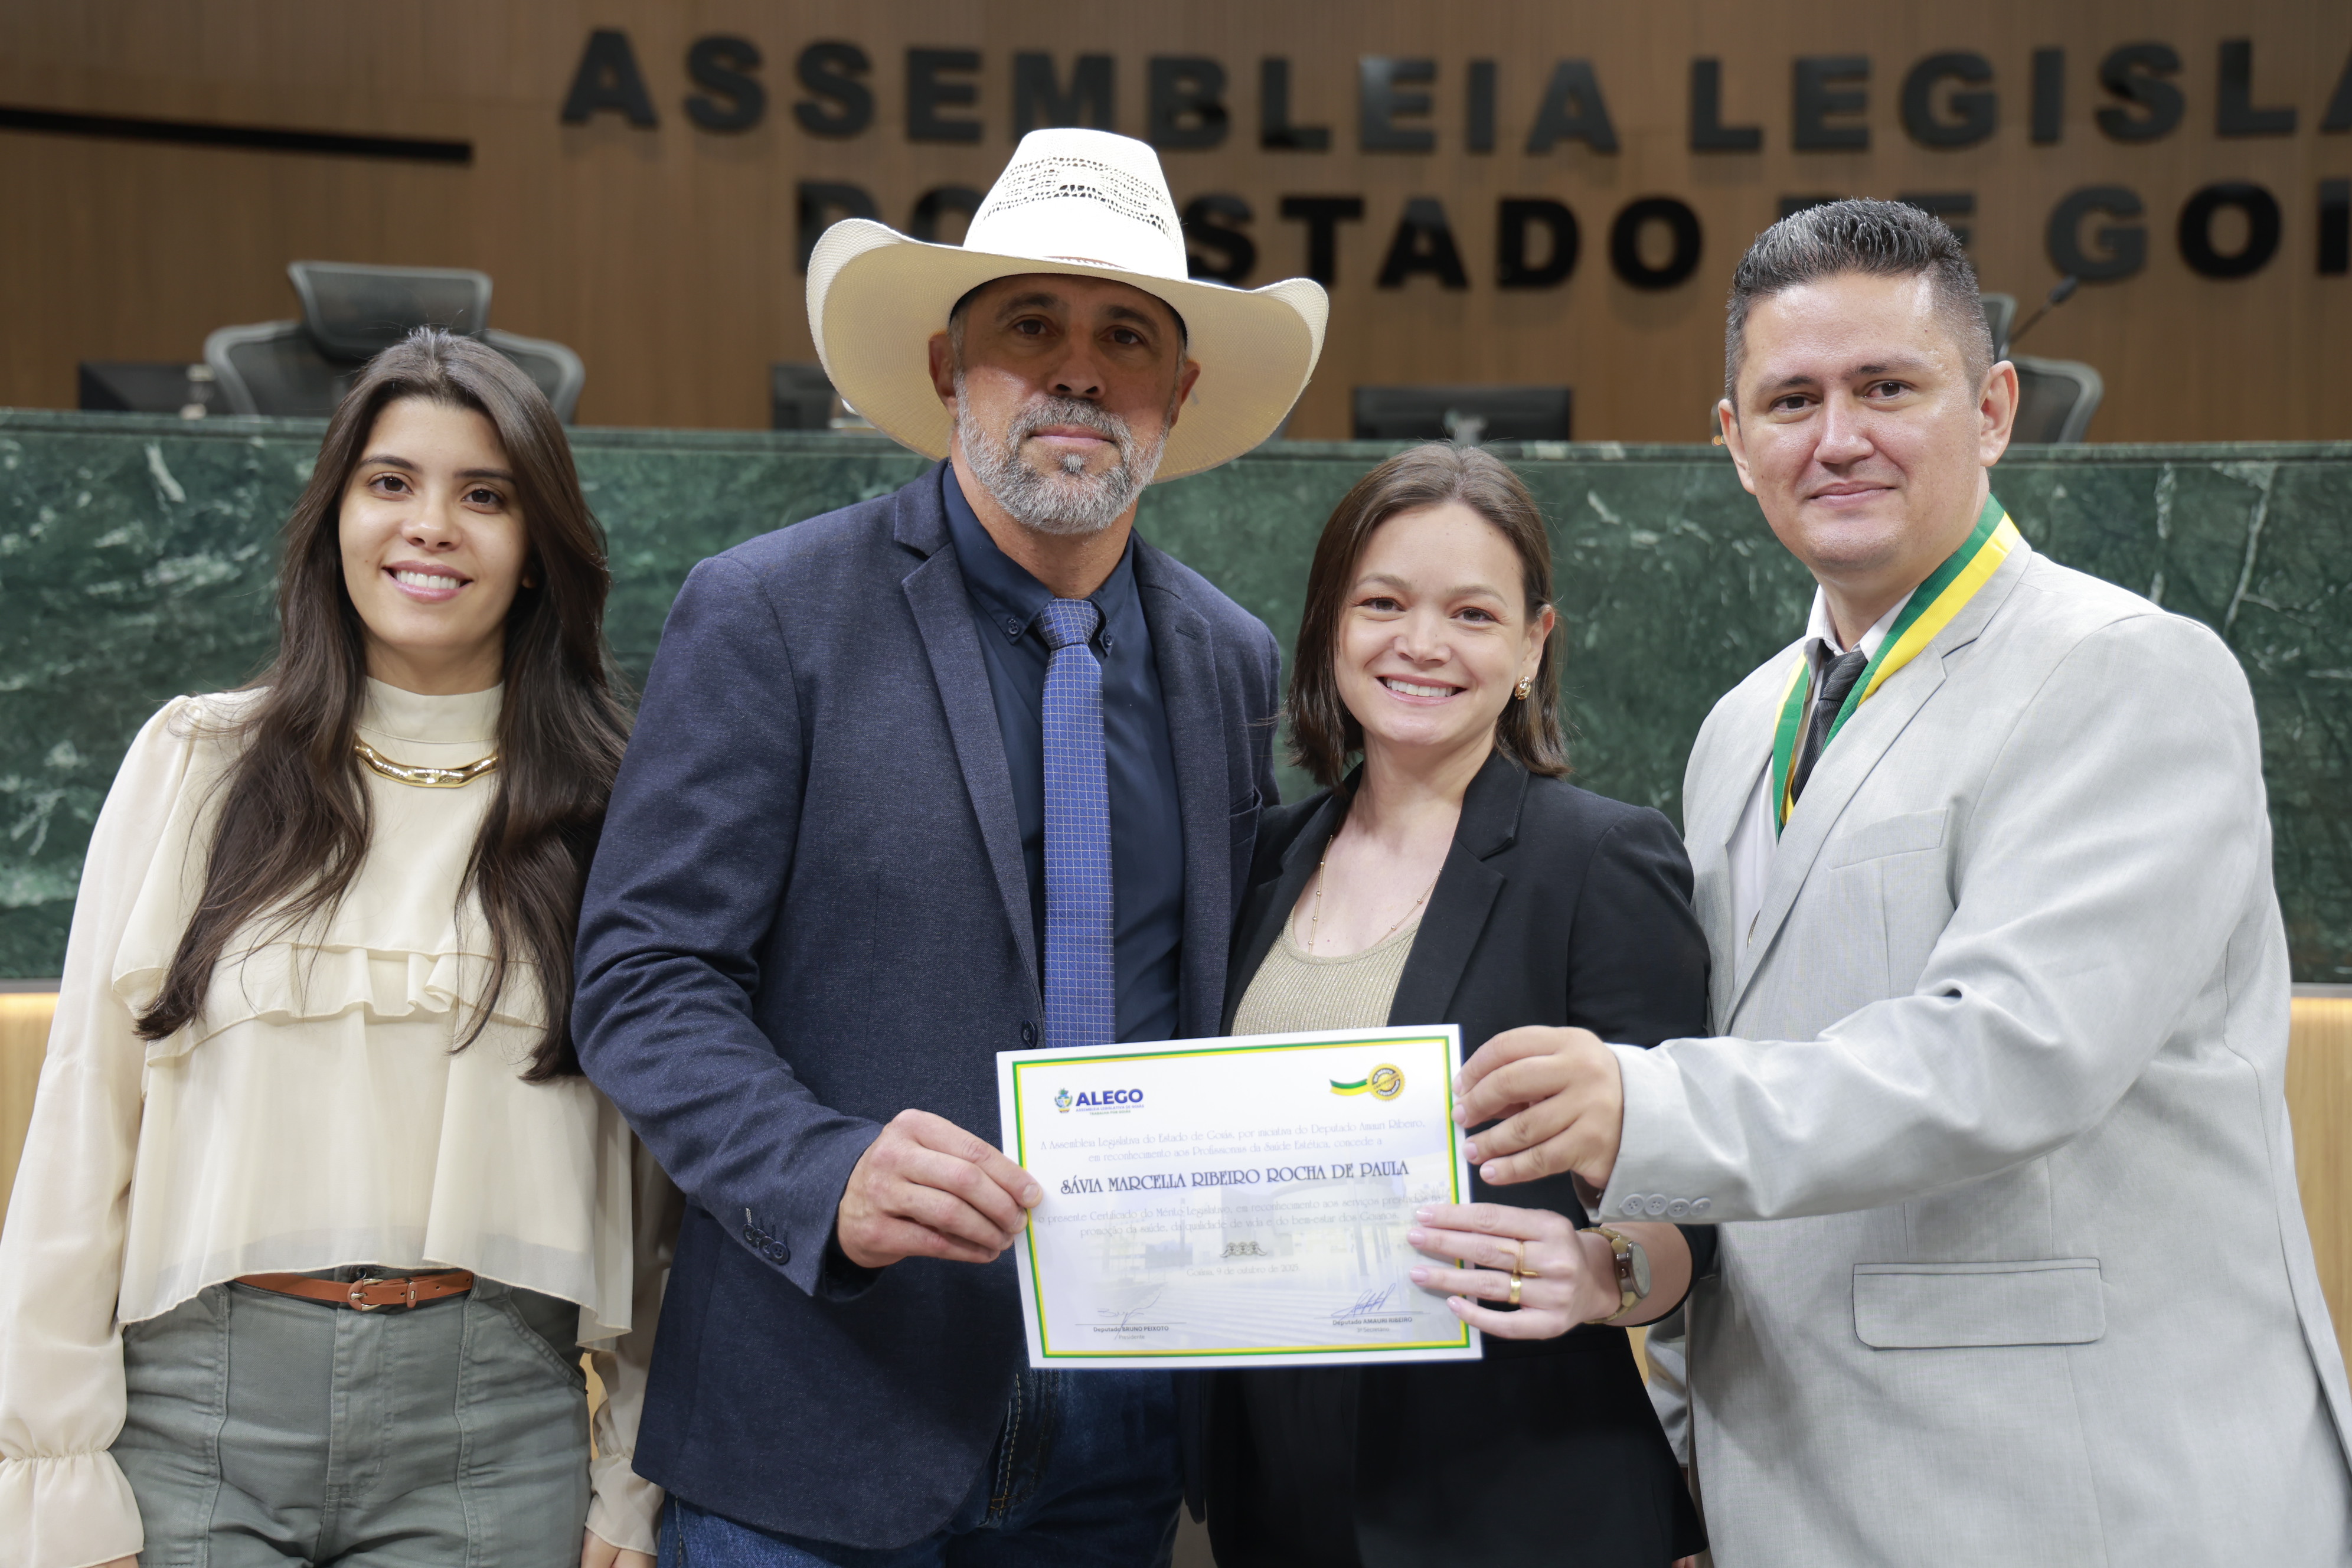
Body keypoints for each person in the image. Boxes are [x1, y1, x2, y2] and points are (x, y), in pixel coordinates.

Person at [1451, 199, 2352, 1562]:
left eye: (1886, 387)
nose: (1838, 436)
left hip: (2085, 1495)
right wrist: (1685, 1429)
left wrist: (1640, 1100)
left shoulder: (2124, 670)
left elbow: (2011, 1053)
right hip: (1793, 1486)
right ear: (1734, 439)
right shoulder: (1741, 727)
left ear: (1992, 410)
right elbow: (1754, 1111)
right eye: (1792, 399)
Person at [569, 127, 1327, 1563]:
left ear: (1178, 392)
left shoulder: (1227, 657)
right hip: (821, 1407)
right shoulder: (771, 612)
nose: (1078, 372)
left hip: (1122, 1420)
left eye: (1126, 337)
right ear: (945, 367)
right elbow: (640, 975)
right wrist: (823, 1170)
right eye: (1030, 325)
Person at [0, 329, 672, 1567]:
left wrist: (633, 1474)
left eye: (486, 495)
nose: (432, 526)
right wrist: (54, 1478)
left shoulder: (616, 804)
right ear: (336, 519)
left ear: (539, 548)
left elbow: (660, 1182)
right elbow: (83, 1128)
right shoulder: (197, 761)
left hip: (493, 1428)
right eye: (391, 482)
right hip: (193, 1421)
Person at [1190, 444, 1711, 1567]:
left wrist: (1600, 1275)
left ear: (1531, 646)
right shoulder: (1259, 861)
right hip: (1276, 1497)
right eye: (1383, 603)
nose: (1421, 644)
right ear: (1331, 628)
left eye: (1472, 614)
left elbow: (1697, 1212)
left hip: (1519, 1501)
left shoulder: (1601, 862)